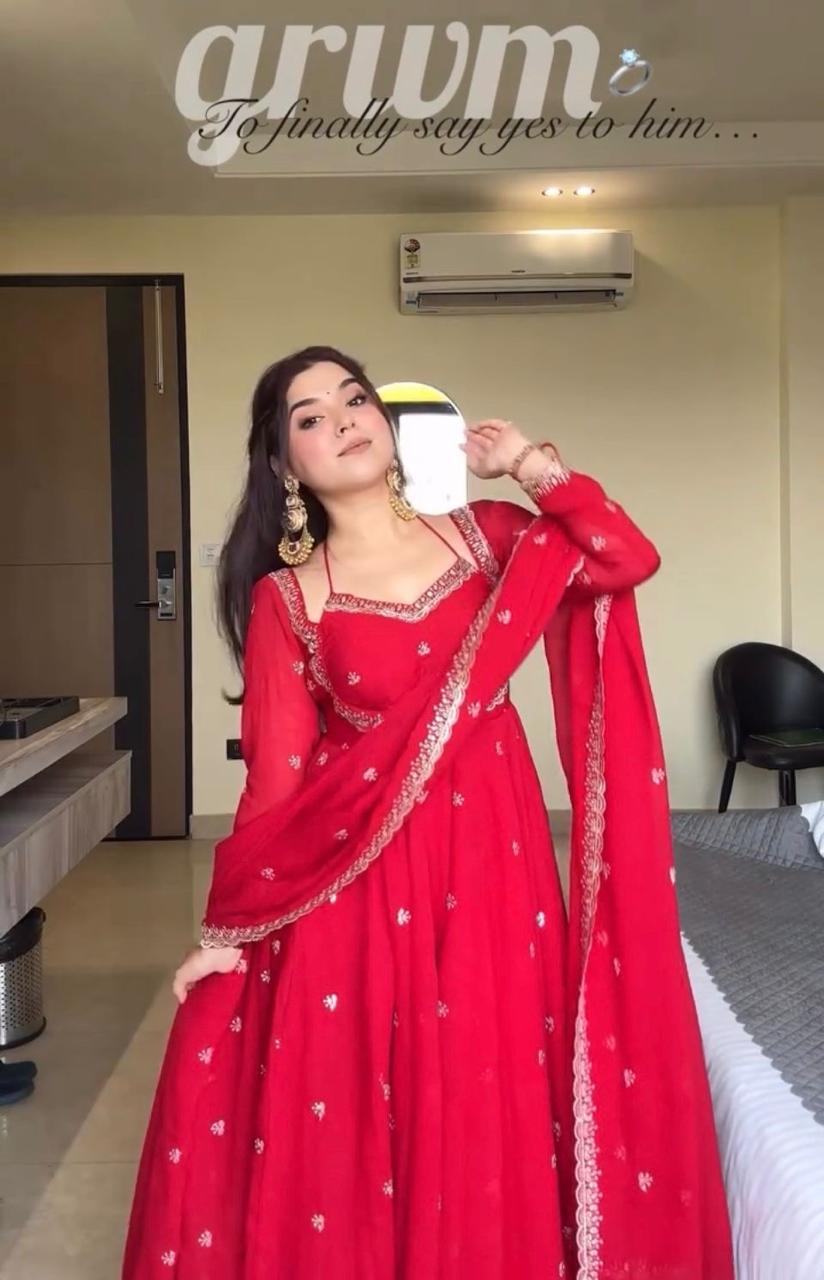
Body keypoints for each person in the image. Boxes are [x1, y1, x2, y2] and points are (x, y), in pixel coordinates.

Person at [123, 345, 733, 1278]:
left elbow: (625, 557)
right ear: (285, 465)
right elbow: (274, 785)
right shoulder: (290, 598)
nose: (343, 421)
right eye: (311, 417)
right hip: (358, 882)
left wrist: (528, 465)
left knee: (486, 1072)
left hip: (493, 864)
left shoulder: (485, 536)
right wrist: (224, 931)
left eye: (354, 400)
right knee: (378, 1091)